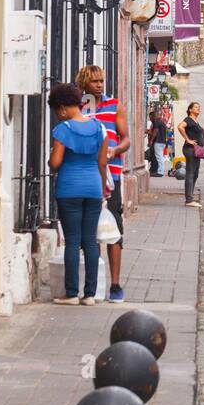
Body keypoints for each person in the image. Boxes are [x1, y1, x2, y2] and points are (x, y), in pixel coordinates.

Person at [47, 82, 110, 305]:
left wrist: (50, 158)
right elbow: (102, 163)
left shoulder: (63, 130)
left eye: (57, 111)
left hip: (69, 189)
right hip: (93, 187)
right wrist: (102, 189)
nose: (58, 115)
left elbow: (55, 163)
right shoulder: (99, 128)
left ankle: (72, 294)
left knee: (72, 241)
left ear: (63, 108)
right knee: (90, 242)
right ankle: (90, 295)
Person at [76, 65, 129, 304]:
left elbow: (125, 139)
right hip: (86, 175)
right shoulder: (79, 107)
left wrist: (115, 149)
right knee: (90, 232)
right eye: (95, 81)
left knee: (113, 230)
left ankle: (115, 284)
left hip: (111, 176)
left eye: (101, 81)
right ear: (84, 83)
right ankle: (93, 284)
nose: (99, 85)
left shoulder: (115, 105)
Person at [176, 102, 204, 208]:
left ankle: (190, 197)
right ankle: (189, 200)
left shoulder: (195, 121)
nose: (198, 109)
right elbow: (180, 127)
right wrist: (188, 140)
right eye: (196, 107)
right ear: (190, 110)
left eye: (199, 107)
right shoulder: (188, 119)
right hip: (191, 150)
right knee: (190, 173)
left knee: (195, 174)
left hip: (196, 150)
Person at [147, 111, 166, 177]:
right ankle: (160, 170)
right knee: (160, 157)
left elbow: (156, 131)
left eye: (150, 117)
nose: (150, 119)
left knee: (159, 157)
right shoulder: (161, 121)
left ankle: (160, 172)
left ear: (153, 116)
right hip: (162, 141)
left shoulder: (156, 121)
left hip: (158, 141)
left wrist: (151, 141)